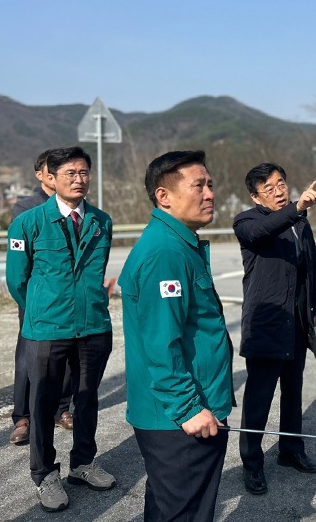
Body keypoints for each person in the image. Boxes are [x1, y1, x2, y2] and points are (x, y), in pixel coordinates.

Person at [118, 150, 235, 521]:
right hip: (180, 419)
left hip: (189, 410)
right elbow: (160, 345)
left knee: (172, 508)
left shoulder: (178, 244)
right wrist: (189, 409)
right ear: (163, 196)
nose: (209, 193)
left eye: (210, 184)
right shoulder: (166, 253)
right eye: (198, 185)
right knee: (183, 513)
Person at [6, 146, 115, 512]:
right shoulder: (28, 222)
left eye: (84, 172)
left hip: (93, 327)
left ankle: (83, 463)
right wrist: (43, 310)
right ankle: (44, 474)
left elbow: (97, 274)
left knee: (87, 399)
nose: (79, 179)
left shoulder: (102, 220)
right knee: (43, 403)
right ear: (51, 177)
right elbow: (16, 281)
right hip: (47, 329)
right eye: (70, 173)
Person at [233, 162, 316, 495]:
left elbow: (312, 264)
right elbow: (262, 233)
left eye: (281, 184)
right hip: (266, 324)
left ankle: (290, 450)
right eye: (270, 188)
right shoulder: (247, 222)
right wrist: (297, 207)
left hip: (296, 322)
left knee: (292, 392)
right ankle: (252, 462)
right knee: (258, 399)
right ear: (255, 196)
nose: (279, 191)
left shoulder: (300, 223)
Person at [9, 149, 75, 446]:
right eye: (55, 170)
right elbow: (20, 266)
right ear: (42, 175)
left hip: (70, 300)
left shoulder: (75, 207)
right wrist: (29, 301)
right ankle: (23, 416)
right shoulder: (26, 208)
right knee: (29, 355)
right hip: (38, 298)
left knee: (69, 356)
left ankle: (61, 409)